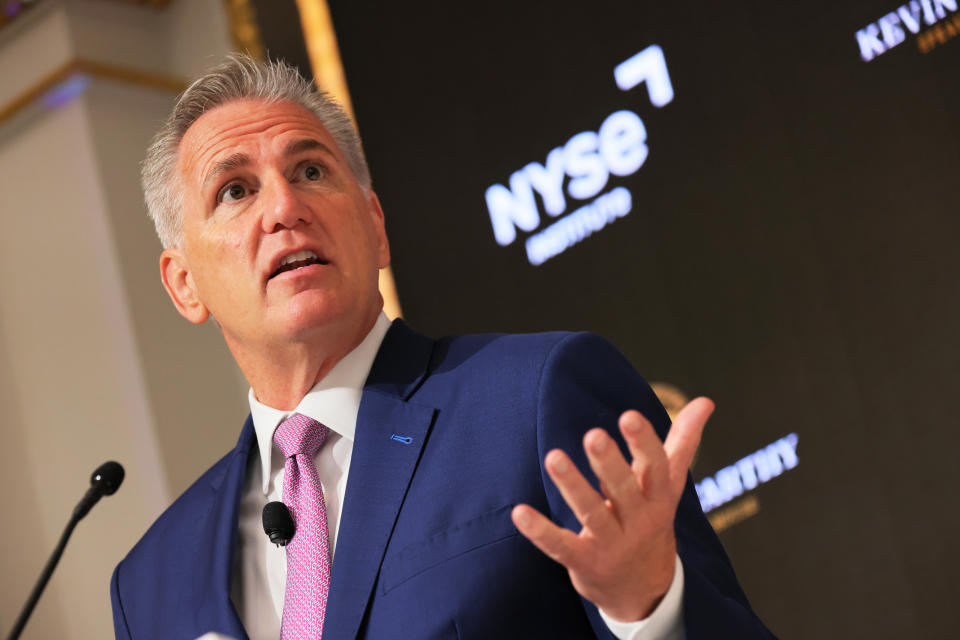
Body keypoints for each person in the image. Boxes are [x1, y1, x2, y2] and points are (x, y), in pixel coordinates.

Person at [109, 55, 773, 640]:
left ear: (375, 224)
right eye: (235, 190)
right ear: (184, 285)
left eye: (310, 169)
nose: (284, 206)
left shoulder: (534, 398)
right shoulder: (149, 586)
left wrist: (650, 611)